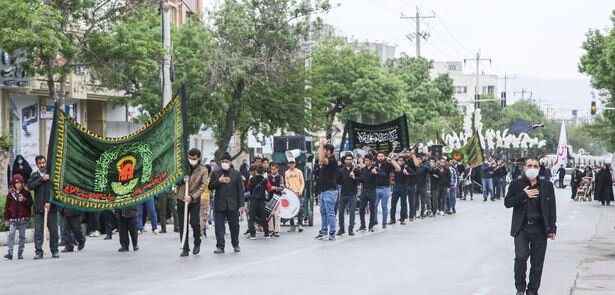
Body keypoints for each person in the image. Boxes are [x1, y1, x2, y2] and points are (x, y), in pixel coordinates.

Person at [504, 157, 557, 295]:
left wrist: (552, 228)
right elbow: (508, 203)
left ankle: (532, 290)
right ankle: (520, 288)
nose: (532, 168)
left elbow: (552, 208)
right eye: (529, 165)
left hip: (540, 228)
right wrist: (524, 195)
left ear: (539, 169)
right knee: (521, 257)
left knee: (537, 263)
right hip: (522, 228)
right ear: (524, 167)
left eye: (535, 166)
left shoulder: (547, 186)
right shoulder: (516, 184)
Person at [209, 152, 245, 254]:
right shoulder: (216, 173)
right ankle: (220, 246)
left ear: (230, 162)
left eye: (226, 161)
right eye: (223, 161)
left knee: (234, 226)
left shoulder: (236, 173)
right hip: (219, 204)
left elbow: (240, 190)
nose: (224, 163)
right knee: (219, 226)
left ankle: (235, 244)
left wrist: (242, 205)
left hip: (233, 204)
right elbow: (210, 187)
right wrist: (219, 181)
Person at [27, 155, 59, 259]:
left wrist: (50, 202)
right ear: (37, 165)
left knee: (53, 230)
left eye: (43, 163)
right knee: (38, 231)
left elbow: (56, 190)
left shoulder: (52, 174)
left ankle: (54, 250)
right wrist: (41, 179)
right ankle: (38, 251)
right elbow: (30, 186)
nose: (42, 165)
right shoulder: (34, 175)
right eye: (40, 163)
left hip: (51, 208)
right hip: (39, 209)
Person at [177, 148, 208, 257]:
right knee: (182, 224)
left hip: (194, 200)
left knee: (195, 223)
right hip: (182, 197)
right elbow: (174, 180)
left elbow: (203, 186)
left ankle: (197, 242)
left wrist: (192, 196)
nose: (191, 160)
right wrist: (181, 180)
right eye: (190, 158)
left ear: (198, 158)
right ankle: (185, 248)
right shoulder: (182, 167)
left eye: (194, 159)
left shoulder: (203, 170)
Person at [4, 174, 33, 260]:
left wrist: (23, 200)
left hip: (23, 218)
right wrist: (6, 218)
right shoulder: (10, 194)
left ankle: (20, 253)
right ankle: (10, 253)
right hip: (13, 218)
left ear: (22, 183)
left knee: (22, 236)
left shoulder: (26, 193)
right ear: (13, 184)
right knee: (11, 235)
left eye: (20, 183)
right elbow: (6, 207)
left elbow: (30, 203)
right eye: (16, 183)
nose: (18, 185)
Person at [314, 140, 338, 240]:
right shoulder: (326, 161)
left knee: (330, 212)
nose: (322, 151)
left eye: (324, 150)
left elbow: (321, 158)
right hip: (324, 190)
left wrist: (320, 145)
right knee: (323, 212)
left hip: (330, 191)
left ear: (329, 151)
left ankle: (332, 232)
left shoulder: (332, 160)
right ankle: (323, 231)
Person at [246, 164, 273, 239]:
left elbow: (248, 188)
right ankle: (267, 233)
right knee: (263, 217)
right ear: (263, 172)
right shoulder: (265, 180)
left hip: (253, 200)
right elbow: (270, 190)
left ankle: (252, 234)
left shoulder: (251, 179)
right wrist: (268, 198)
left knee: (251, 217)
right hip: (261, 201)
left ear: (256, 171)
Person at [374, 151, 400, 228]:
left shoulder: (387, 164)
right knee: (374, 206)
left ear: (384, 157)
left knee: (384, 206)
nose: (380, 157)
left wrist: (392, 160)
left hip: (385, 188)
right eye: (379, 156)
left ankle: (384, 222)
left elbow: (398, 169)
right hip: (375, 188)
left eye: (382, 156)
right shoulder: (374, 164)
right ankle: (374, 221)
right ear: (376, 157)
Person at [336, 154, 359, 236]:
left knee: (352, 212)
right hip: (343, 193)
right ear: (344, 161)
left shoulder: (356, 170)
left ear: (352, 160)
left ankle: (351, 229)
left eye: (350, 159)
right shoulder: (341, 170)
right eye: (347, 159)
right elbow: (338, 181)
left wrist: (354, 178)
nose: (349, 161)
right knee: (341, 212)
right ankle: (341, 229)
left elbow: (360, 180)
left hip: (352, 194)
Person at [356, 154, 377, 232]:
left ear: (371, 161)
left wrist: (375, 173)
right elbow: (361, 179)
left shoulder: (375, 168)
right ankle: (362, 225)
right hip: (364, 191)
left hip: (372, 191)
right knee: (361, 209)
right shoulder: (362, 169)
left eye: (367, 160)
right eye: (365, 160)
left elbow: (383, 175)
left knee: (372, 209)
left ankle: (371, 226)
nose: (366, 162)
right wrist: (356, 178)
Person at [285, 159, 305, 233]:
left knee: (300, 208)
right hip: (291, 194)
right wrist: (288, 188)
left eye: (293, 163)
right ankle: (292, 225)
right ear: (288, 164)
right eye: (290, 163)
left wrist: (300, 191)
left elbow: (302, 182)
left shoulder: (299, 172)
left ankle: (300, 224)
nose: (291, 164)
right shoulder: (286, 172)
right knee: (290, 209)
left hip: (298, 193)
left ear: (295, 164)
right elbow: (286, 183)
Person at [389, 156, 410, 224]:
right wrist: (392, 158)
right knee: (393, 203)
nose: (400, 161)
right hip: (396, 186)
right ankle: (392, 219)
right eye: (399, 160)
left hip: (404, 186)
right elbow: (391, 163)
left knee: (403, 204)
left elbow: (414, 174)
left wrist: (407, 173)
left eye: (401, 160)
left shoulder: (406, 167)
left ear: (404, 161)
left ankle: (402, 219)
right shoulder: (395, 167)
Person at [267, 163, 284, 237]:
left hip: (277, 197)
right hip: (270, 197)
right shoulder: (268, 177)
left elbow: (282, 187)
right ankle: (271, 229)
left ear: (277, 169)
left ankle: (277, 230)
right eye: (271, 169)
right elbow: (266, 186)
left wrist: (275, 188)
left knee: (277, 214)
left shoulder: (280, 177)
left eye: (274, 169)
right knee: (269, 214)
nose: (272, 170)